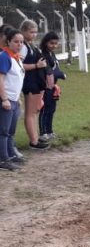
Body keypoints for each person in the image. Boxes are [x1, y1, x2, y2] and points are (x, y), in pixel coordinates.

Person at [20, 19, 49, 150]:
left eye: (36, 32)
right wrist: (37, 65)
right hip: (30, 82)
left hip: (36, 82)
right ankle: (33, 141)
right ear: (24, 31)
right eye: (31, 32)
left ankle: (36, 137)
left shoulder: (31, 45)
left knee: (34, 111)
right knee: (30, 113)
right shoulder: (23, 47)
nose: (34, 35)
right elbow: (19, 65)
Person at [0, 29, 25, 171]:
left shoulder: (16, 57)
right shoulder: (4, 57)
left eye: (21, 42)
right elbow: (1, 79)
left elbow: (16, 80)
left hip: (14, 100)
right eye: (16, 41)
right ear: (8, 41)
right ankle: (3, 159)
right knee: (3, 131)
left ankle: (10, 154)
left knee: (11, 130)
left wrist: (18, 98)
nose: (19, 44)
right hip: (6, 99)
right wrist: (4, 99)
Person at [38, 31, 66, 141]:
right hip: (45, 87)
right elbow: (48, 71)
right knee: (44, 109)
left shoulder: (52, 54)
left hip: (53, 87)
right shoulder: (43, 55)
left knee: (52, 109)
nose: (54, 45)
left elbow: (55, 69)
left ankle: (49, 131)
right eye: (51, 43)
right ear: (45, 43)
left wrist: (59, 74)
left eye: (55, 43)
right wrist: (62, 75)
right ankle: (42, 133)